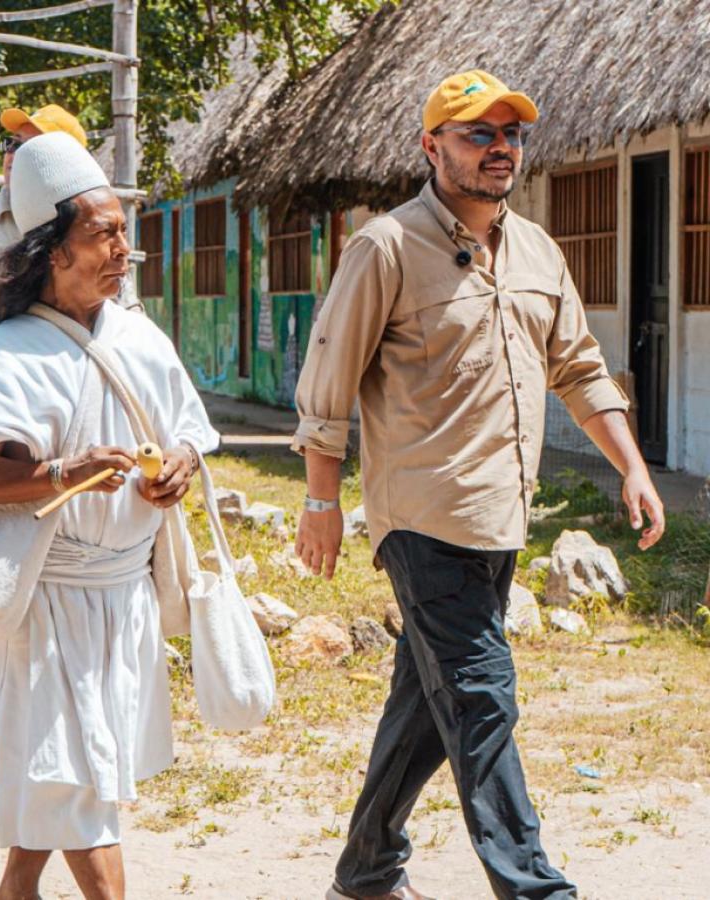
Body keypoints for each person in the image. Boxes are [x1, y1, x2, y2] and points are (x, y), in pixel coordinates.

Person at [292, 71, 666, 900]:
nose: (501, 149)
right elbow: (328, 381)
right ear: (432, 147)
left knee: (428, 706)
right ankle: (534, 887)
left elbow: (578, 366)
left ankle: (365, 872)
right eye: (478, 134)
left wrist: (631, 464)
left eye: (511, 135)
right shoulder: (385, 247)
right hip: (423, 516)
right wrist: (321, 501)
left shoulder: (536, 250)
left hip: (503, 516)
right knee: (483, 695)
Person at [0, 131, 218, 899]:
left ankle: (15, 890)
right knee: (76, 786)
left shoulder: (136, 334)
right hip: (45, 604)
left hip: (123, 600)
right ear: (54, 251)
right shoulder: (8, 350)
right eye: (105, 233)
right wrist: (64, 472)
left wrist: (176, 470)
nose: (125, 249)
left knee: (66, 784)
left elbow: (185, 428)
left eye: (124, 230)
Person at [0, 102, 141, 754]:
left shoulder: (100, 236)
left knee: (54, 578)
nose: (14, 155)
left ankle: (35, 721)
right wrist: (6, 364)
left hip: (75, 427)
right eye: (12, 143)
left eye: (33, 146)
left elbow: (115, 329)